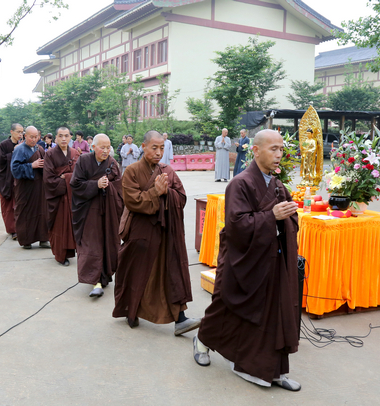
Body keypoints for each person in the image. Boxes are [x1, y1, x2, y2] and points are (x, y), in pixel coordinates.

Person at [193, 130, 301, 391]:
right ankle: (202, 339)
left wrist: (286, 217)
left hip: (269, 260)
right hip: (242, 259)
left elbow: (290, 221)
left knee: (269, 313)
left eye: (281, 149)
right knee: (228, 307)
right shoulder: (239, 183)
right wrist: (271, 216)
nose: (279, 155)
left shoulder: (276, 184)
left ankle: (269, 369)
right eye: (273, 149)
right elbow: (236, 224)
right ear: (255, 150)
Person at [113, 131, 199, 335]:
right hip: (141, 233)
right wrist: (155, 192)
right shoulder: (132, 171)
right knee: (137, 273)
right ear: (143, 146)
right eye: (154, 147)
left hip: (166, 232)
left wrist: (167, 193)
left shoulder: (168, 170)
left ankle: (180, 319)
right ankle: (131, 311)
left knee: (172, 271)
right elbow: (133, 201)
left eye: (162, 148)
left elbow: (182, 197)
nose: (159, 152)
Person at [70, 134, 123, 297]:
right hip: (88, 212)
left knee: (108, 244)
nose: (106, 151)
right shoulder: (83, 161)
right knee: (91, 245)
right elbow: (76, 184)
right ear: (93, 147)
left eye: (108, 147)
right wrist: (96, 184)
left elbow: (120, 187)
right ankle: (96, 281)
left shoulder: (113, 163)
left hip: (108, 212)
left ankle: (104, 276)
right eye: (102, 147)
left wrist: (109, 187)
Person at [44, 127, 80, 266]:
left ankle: (69, 252)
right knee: (59, 226)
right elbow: (48, 178)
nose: (64, 139)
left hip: (72, 197)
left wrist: (67, 177)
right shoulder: (50, 154)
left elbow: (80, 175)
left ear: (71, 137)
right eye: (60, 136)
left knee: (71, 226)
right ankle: (60, 255)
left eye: (66, 136)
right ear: (56, 138)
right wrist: (65, 180)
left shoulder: (75, 153)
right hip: (58, 197)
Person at [11, 126, 50, 249]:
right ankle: (26, 240)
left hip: (39, 187)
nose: (34, 139)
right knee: (25, 212)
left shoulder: (40, 148)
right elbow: (15, 170)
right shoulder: (20, 149)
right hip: (25, 188)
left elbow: (46, 164)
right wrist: (31, 165)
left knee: (42, 211)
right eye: (31, 137)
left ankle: (43, 239)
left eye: (36, 137)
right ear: (25, 136)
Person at [0, 123, 23, 239]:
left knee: (20, 205)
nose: (20, 135)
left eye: (22, 132)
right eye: (18, 132)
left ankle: (21, 228)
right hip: (7, 179)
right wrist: (13, 153)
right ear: (11, 132)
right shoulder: (4, 145)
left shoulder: (23, 144)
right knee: (8, 206)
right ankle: (12, 230)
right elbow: (0, 162)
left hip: (20, 179)